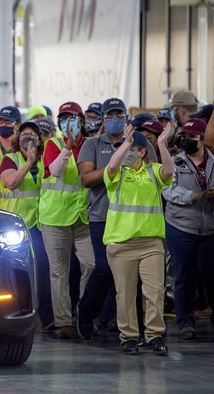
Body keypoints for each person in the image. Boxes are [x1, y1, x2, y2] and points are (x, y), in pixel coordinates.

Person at [76, 98, 158, 339]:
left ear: (126, 118)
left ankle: (130, 325)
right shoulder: (92, 144)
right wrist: (116, 165)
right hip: (102, 217)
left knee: (133, 275)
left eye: (119, 115)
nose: (115, 120)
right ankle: (86, 311)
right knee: (104, 270)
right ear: (103, 119)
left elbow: (152, 171)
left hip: (134, 221)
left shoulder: (140, 142)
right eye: (110, 116)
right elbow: (86, 178)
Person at [103, 124, 173, 355]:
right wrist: (125, 142)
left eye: (130, 147)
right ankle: (129, 337)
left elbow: (169, 172)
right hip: (120, 245)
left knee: (155, 292)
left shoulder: (153, 172)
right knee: (125, 294)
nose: (123, 152)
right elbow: (112, 164)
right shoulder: (116, 175)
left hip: (151, 244)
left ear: (141, 151)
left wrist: (161, 144)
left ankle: (154, 335)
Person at [40, 102, 95, 338]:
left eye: (72, 118)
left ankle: (85, 314)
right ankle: (63, 321)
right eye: (63, 119)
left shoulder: (91, 144)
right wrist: (67, 148)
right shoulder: (53, 144)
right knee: (59, 271)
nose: (68, 122)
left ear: (81, 121)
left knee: (92, 265)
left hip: (83, 216)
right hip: (55, 217)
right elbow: (55, 171)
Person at [0, 120, 54, 331]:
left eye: (33, 134)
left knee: (44, 271)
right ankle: (17, 314)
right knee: (17, 272)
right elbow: (11, 182)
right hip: (17, 227)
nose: (28, 138)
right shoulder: (9, 160)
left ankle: (48, 318)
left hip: (40, 225)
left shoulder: (45, 161)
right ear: (17, 138)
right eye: (24, 134)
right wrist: (28, 162)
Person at [162, 118, 214, 339]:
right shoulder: (175, 162)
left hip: (210, 228)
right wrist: (194, 196)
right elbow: (167, 190)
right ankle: (185, 322)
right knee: (184, 275)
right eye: (183, 136)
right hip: (181, 226)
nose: (186, 141)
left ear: (202, 138)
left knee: (211, 276)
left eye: (191, 137)